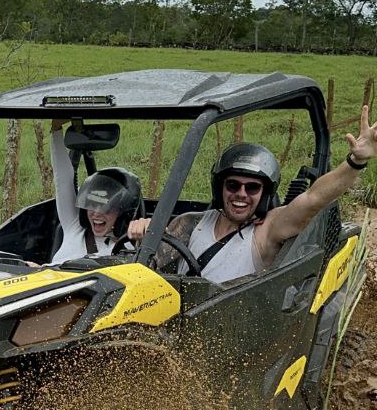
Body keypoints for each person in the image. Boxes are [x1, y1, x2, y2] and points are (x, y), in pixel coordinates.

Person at [126, 104, 377, 284]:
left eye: (252, 188)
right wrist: (144, 234)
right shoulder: (192, 222)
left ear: (265, 193)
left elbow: (314, 199)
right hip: (182, 322)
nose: (241, 194)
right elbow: (152, 264)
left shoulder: (267, 230)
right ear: (220, 188)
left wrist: (355, 162)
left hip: (238, 327)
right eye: (233, 185)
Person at [49, 120, 144, 264]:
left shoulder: (131, 250)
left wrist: (149, 229)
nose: (97, 213)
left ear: (122, 213)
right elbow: (62, 179)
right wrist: (56, 129)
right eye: (92, 204)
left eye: (107, 208)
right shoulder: (74, 227)